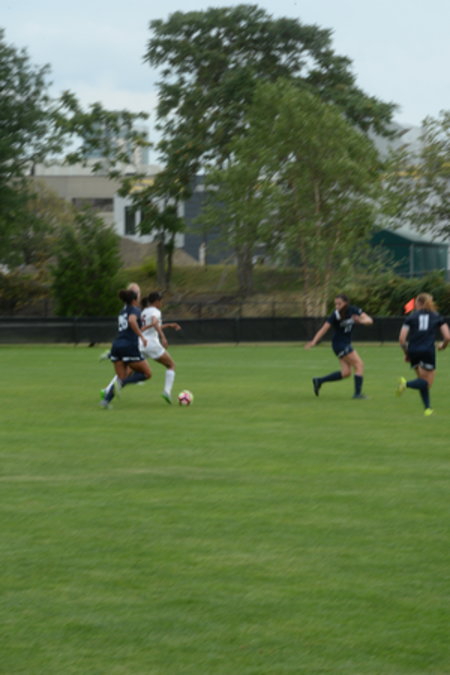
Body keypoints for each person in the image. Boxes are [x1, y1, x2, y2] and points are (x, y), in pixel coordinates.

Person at [305, 293, 374, 399]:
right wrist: (314, 341)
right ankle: (357, 394)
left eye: (339, 304)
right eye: (336, 304)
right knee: (359, 365)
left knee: (346, 372)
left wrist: (360, 320)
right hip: (339, 344)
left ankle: (319, 381)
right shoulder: (335, 315)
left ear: (346, 303)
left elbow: (369, 321)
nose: (337, 306)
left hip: (344, 344)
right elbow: (324, 329)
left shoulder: (353, 310)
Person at [396, 292, 450, 416]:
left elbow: (402, 339)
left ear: (418, 303)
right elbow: (447, 337)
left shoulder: (411, 317)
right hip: (428, 351)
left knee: (422, 380)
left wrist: (407, 353)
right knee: (427, 383)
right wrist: (442, 346)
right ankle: (405, 384)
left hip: (413, 351)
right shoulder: (436, 316)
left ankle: (427, 409)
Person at [100, 288, 151, 408]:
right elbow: (132, 321)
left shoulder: (122, 311)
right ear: (134, 300)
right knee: (147, 374)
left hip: (116, 345)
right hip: (129, 346)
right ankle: (122, 383)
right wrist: (141, 336)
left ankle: (106, 401)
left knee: (121, 376)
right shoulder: (135, 310)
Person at [139, 292, 181, 404]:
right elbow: (154, 323)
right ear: (157, 301)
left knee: (128, 370)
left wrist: (168, 325)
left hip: (140, 343)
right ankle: (167, 391)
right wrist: (163, 337)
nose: (162, 303)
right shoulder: (156, 311)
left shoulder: (144, 311)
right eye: (161, 301)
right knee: (171, 365)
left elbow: (153, 326)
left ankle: (109, 389)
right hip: (151, 344)